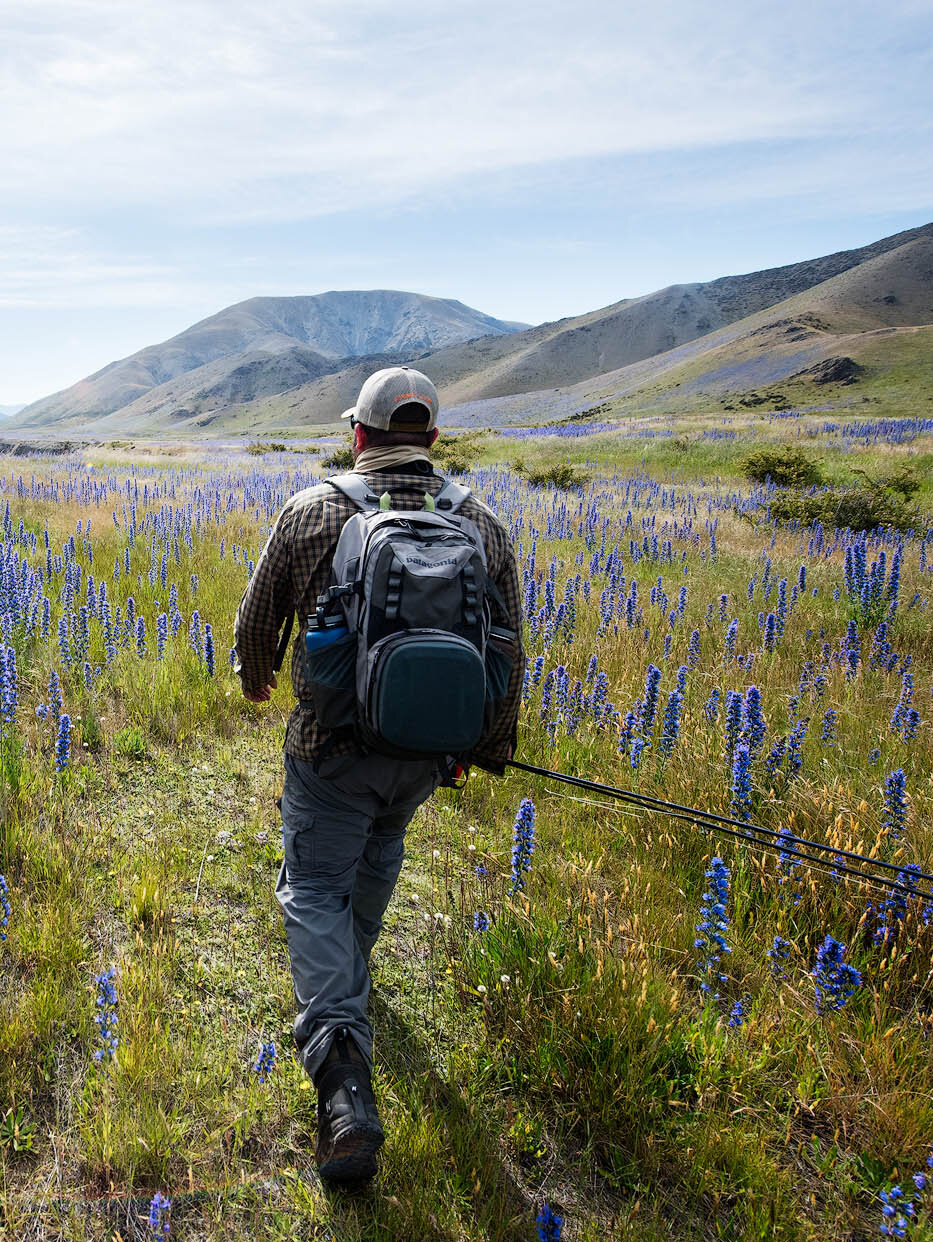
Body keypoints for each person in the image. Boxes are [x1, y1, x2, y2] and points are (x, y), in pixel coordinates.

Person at [234, 365, 525, 1187]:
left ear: (357, 436)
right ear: (431, 440)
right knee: (379, 852)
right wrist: (484, 744)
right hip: (425, 754)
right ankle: (349, 980)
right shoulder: (482, 525)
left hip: (329, 750)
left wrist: (256, 675)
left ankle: (342, 1082)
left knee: (315, 889)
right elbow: (508, 648)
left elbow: (258, 622)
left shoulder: (311, 510)